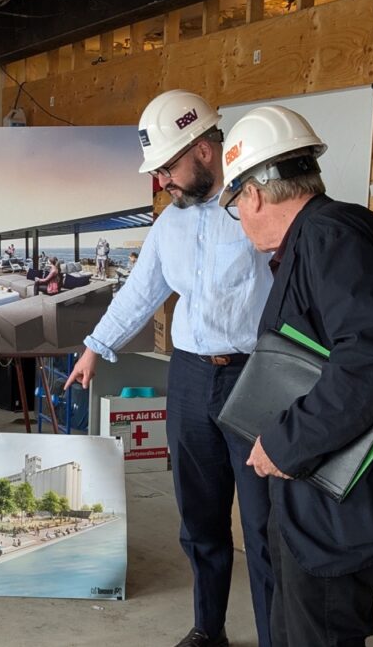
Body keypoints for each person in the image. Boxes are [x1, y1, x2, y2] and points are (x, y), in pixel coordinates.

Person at [64, 90, 275, 647]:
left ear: (204, 150)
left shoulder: (259, 205)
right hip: (189, 381)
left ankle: (281, 635)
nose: (161, 182)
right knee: (200, 522)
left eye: (167, 168)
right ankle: (210, 630)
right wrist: (94, 347)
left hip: (255, 380)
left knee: (263, 526)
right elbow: (139, 293)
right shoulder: (170, 225)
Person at [219, 105, 373, 646]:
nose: (239, 219)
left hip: (340, 503)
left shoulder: (331, 238)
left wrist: (285, 444)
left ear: (254, 195)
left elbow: (369, 358)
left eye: (235, 204)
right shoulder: (326, 234)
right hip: (322, 494)